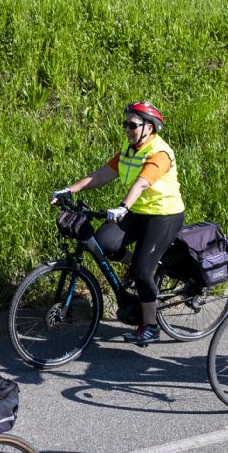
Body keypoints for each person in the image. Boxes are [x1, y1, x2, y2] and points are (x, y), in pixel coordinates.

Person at [54, 101, 183, 346]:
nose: (127, 129)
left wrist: (123, 206)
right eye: (125, 124)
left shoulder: (160, 153)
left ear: (148, 127)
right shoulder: (129, 148)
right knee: (103, 243)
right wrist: (70, 190)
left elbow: (142, 182)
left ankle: (151, 326)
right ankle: (137, 265)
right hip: (138, 211)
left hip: (164, 215)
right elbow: (103, 173)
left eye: (132, 125)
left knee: (144, 271)